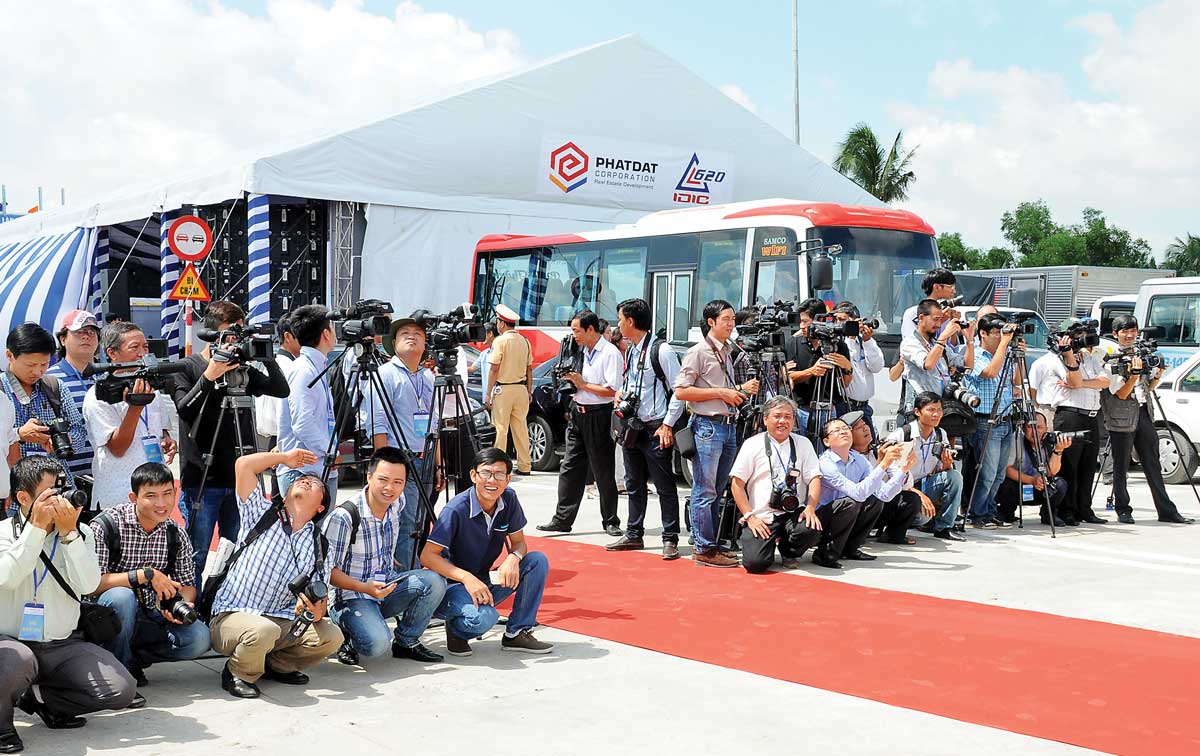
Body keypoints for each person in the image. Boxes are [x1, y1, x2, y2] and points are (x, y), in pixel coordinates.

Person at [0, 456, 136, 752]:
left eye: (62, 490)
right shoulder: (3, 533)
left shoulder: (79, 533)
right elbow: (6, 577)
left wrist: (70, 536)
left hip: (61, 644)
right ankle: (2, 726)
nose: (61, 500)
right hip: (10, 642)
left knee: (121, 689)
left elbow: (88, 585)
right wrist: (36, 529)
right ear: (24, 497)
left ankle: (44, 701)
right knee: (16, 660)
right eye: (51, 493)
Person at [208, 448, 343, 699]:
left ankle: (277, 665)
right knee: (263, 630)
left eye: (314, 483)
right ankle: (238, 672)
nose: (306, 481)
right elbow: (243, 465)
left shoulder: (320, 545)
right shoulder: (262, 513)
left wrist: (312, 610)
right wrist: (284, 458)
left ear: (321, 507)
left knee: (331, 636)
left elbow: (321, 605)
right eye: (302, 479)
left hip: (281, 620)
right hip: (231, 615)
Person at [171, 300, 289, 583]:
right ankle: (194, 603)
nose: (236, 341)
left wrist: (265, 356)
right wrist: (210, 376)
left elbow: (280, 389)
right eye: (231, 334)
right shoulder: (187, 367)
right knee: (197, 553)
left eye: (240, 333)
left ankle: (225, 601)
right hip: (203, 478)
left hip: (239, 479)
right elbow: (185, 409)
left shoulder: (242, 370)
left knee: (238, 551)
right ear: (213, 335)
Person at [90, 463, 209, 703]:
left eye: (167, 494)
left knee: (199, 638)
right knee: (122, 597)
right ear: (133, 497)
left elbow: (187, 584)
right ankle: (118, 675)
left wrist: (181, 605)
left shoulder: (175, 533)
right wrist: (145, 575)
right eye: (151, 496)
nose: (161, 503)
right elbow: (92, 584)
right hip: (107, 617)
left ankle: (132, 659)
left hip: (151, 616)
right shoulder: (106, 526)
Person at [421, 447, 553, 656]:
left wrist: (513, 557)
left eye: (499, 474)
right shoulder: (456, 509)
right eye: (486, 473)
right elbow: (427, 556)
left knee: (537, 561)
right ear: (473, 475)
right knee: (485, 618)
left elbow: (519, 542)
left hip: (484, 580)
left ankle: (516, 633)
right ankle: (456, 629)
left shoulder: (509, 498)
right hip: (452, 586)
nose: (492, 480)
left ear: (508, 479)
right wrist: (467, 579)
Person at [324, 447, 446, 666]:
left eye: (398, 482)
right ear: (369, 477)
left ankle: (406, 641)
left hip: (384, 585)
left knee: (434, 581)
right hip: (351, 595)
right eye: (383, 480)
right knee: (377, 645)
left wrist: (386, 555)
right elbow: (327, 572)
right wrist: (364, 588)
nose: (390, 488)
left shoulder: (397, 503)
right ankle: (347, 637)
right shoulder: (344, 517)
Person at [673, 299, 759, 567]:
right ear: (711, 322)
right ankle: (703, 547)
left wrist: (740, 390)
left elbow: (721, 389)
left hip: (728, 425)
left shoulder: (726, 350)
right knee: (705, 489)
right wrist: (722, 393)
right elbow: (681, 391)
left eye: (733, 319)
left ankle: (711, 543)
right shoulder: (698, 351)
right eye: (726, 319)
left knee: (718, 489)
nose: (731, 324)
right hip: (708, 426)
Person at [361, 313, 444, 571]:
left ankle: (413, 572)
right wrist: (384, 466)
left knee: (420, 523)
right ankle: (407, 579)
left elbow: (434, 425)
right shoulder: (385, 375)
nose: (411, 337)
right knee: (406, 524)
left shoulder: (428, 377)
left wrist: (438, 464)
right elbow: (377, 424)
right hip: (400, 462)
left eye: (417, 334)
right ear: (394, 343)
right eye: (404, 333)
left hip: (425, 460)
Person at [605, 298, 685, 560]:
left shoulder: (661, 351)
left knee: (664, 485)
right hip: (632, 426)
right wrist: (620, 394)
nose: (617, 325)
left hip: (655, 428)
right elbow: (632, 382)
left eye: (620, 320)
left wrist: (667, 424)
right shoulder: (631, 350)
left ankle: (670, 538)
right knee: (633, 483)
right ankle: (634, 533)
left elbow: (679, 391)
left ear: (630, 321)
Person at [538, 309, 624, 536]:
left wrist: (583, 384)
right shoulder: (578, 351)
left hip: (600, 414)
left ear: (590, 329)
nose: (574, 335)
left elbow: (612, 391)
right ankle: (562, 519)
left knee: (603, 470)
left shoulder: (610, 353)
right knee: (570, 467)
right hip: (578, 413)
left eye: (577, 330)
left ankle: (610, 521)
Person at [1103, 315, 1193, 525]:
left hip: (1143, 412)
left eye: (1133, 331)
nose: (1130, 335)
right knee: (1120, 466)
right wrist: (1133, 375)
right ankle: (1123, 509)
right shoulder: (1112, 359)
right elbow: (1121, 394)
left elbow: (1148, 388)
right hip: (1121, 417)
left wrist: (1157, 375)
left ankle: (1166, 510)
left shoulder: (1141, 353)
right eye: (1125, 331)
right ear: (1115, 334)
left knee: (1153, 463)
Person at [83, 322, 177, 510]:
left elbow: (160, 430)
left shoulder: (152, 389)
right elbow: (117, 448)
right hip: (118, 496)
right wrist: (135, 408)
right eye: (134, 347)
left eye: (145, 347)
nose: (142, 354)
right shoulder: (99, 395)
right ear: (112, 353)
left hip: (154, 492)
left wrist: (167, 441)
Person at [730, 396, 822, 573]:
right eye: (777, 416)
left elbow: (815, 478)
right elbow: (737, 483)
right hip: (762, 515)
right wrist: (750, 516)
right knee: (755, 564)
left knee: (810, 528)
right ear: (765, 419)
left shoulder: (803, 443)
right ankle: (766, 547)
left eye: (788, 417)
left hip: (793, 511)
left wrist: (810, 508)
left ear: (794, 420)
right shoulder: (752, 444)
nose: (783, 421)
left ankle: (788, 552)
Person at [2, 324, 89, 483]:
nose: (37, 372)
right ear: (9, 355)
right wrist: (18, 434)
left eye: (44, 364)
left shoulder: (54, 386)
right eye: (30, 365)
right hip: (14, 486)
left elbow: (79, 429)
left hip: (57, 484)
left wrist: (65, 440)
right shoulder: (1, 392)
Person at [816, 416, 908, 565]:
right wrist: (883, 465)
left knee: (874, 500)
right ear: (827, 441)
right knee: (851, 502)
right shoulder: (825, 463)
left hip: (847, 514)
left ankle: (850, 548)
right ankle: (825, 553)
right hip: (823, 518)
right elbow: (857, 494)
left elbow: (884, 494)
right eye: (837, 430)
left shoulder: (858, 459)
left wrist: (904, 469)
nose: (843, 432)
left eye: (845, 428)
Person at [1046, 319, 1109, 525]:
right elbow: (1074, 381)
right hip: (1069, 415)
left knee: (1088, 465)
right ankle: (1067, 509)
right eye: (1075, 336)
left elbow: (1105, 381)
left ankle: (1084, 509)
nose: (1081, 339)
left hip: (1091, 416)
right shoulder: (1057, 359)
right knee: (1069, 465)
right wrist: (1069, 357)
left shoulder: (1088, 357)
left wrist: (1083, 383)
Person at [885, 392, 966, 541]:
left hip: (924, 484)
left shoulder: (940, 434)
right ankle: (901, 523)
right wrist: (919, 495)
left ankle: (944, 527)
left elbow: (943, 473)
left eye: (939, 410)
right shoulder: (903, 434)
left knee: (955, 476)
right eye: (931, 410)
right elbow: (891, 475)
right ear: (917, 412)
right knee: (922, 517)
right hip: (901, 489)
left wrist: (947, 464)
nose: (936, 414)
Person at [277, 304, 338, 500]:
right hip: (304, 473)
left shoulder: (316, 366)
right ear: (326, 334)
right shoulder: (303, 370)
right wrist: (330, 451)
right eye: (333, 328)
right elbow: (302, 424)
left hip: (319, 468)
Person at [961, 315, 1016, 529]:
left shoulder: (1005, 353)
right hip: (985, 420)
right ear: (983, 333)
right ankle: (977, 514)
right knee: (987, 473)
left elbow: (1015, 380)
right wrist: (1005, 343)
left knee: (1000, 473)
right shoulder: (975, 355)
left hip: (1005, 419)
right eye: (996, 333)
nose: (1001, 337)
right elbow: (990, 372)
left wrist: (1017, 352)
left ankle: (990, 511)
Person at [849, 412, 929, 544]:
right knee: (874, 499)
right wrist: (881, 464)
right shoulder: (850, 458)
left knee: (911, 499)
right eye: (859, 428)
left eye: (865, 425)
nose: (865, 429)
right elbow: (866, 489)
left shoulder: (878, 451)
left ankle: (893, 535)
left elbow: (906, 486)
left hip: (882, 505)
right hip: (862, 510)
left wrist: (904, 464)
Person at [46, 309, 101, 481]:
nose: (86, 337)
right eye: (79, 332)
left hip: (104, 476)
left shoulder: (106, 377)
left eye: (91, 332)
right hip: (65, 477)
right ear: (63, 339)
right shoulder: (49, 380)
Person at [785, 299, 853, 437]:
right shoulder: (793, 343)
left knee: (826, 448)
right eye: (800, 321)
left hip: (828, 410)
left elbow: (844, 383)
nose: (801, 326)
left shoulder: (838, 345)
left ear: (820, 320)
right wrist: (811, 371)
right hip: (800, 410)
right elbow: (787, 378)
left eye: (805, 321)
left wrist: (847, 368)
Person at [898, 299, 973, 415]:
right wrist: (944, 336)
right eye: (935, 319)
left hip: (941, 406)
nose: (938, 325)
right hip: (920, 409)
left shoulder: (936, 343)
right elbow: (928, 364)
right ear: (921, 318)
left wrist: (969, 340)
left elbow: (967, 365)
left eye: (941, 320)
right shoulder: (909, 343)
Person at [996, 412, 1072, 525]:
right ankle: (1006, 512)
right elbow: (1006, 469)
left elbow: (1051, 472)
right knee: (1005, 483)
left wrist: (1058, 451)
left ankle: (1048, 514)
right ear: (1023, 428)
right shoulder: (1015, 439)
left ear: (1046, 428)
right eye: (1030, 427)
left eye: (1039, 427)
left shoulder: (1050, 441)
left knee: (1060, 484)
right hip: (1019, 486)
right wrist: (1032, 480)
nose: (1035, 431)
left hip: (1040, 488)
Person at [485, 305, 534, 476]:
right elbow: (529, 369)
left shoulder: (500, 341)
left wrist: (488, 393)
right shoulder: (525, 341)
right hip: (521, 389)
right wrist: (529, 391)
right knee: (521, 429)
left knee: (500, 429)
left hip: (504, 390)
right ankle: (525, 466)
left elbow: (494, 369)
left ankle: (498, 467)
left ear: (502, 323)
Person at [833, 302, 884, 431]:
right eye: (836, 319)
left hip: (864, 407)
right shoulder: (836, 343)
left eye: (842, 320)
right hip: (845, 405)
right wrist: (850, 337)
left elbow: (877, 367)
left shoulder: (863, 341)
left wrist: (868, 341)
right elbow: (847, 363)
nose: (838, 323)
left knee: (869, 441)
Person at [254, 313, 299, 445]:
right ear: (288, 336)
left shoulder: (279, 364)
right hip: (284, 439)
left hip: (276, 438)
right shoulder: (288, 366)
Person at [901, 268, 957, 341]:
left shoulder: (948, 313)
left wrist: (953, 323)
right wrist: (940, 321)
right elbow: (912, 342)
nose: (954, 291)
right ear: (937, 287)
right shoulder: (912, 313)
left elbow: (952, 346)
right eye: (951, 287)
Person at [468, 321, 498, 397]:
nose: (480, 337)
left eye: (482, 333)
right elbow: (472, 369)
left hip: (499, 394)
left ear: (490, 334)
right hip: (487, 397)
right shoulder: (484, 354)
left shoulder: (500, 351)